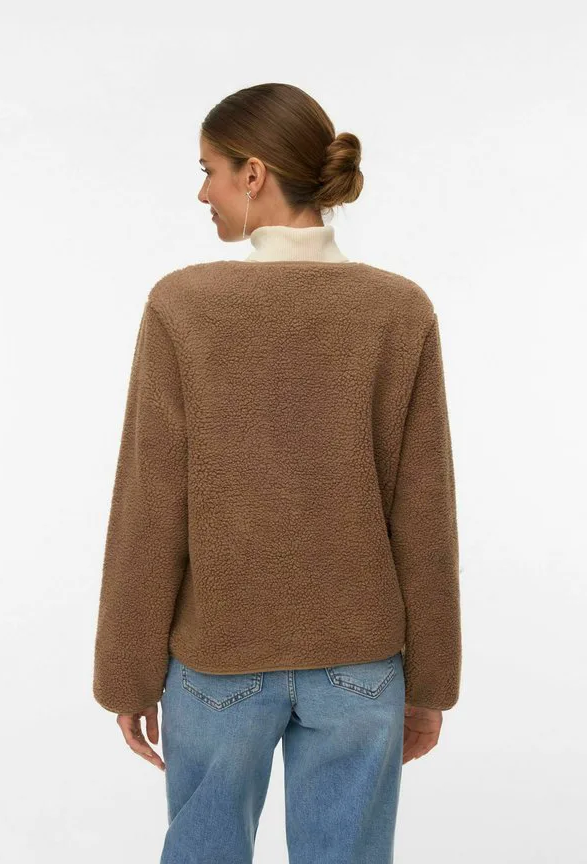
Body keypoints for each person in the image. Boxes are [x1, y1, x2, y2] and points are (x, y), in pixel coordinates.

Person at [92, 82, 462, 864]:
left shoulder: (182, 306)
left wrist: (126, 674)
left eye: (210, 170)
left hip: (218, 658)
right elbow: (424, 513)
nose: (204, 192)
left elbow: (151, 508)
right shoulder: (400, 310)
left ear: (253, 174)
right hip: (361, 661)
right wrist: (431, 682)